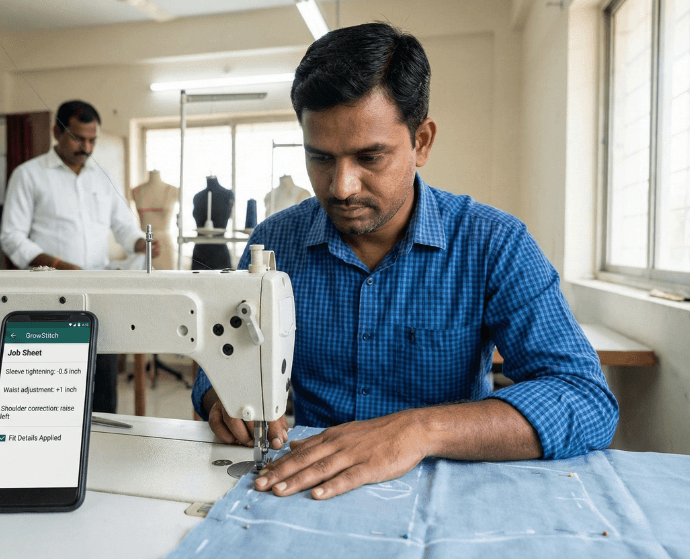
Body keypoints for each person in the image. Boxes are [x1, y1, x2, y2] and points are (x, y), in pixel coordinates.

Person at [192, 23, 618, 500]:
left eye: (369, 158)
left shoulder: (493, 243)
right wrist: (222, 399)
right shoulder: (274, 243)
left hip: (447, 497)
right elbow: (217, 363)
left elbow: (586, 398)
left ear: (422, 142)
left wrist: (419, 431)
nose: (341, 187)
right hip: (309, 493)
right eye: (321, 159)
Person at [0, 100, 160, 413]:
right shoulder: (29, 175)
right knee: (55, 384)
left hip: (99, 292)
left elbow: (125, 228)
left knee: (103, 380)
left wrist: (140, 243)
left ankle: (104, 445)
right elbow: (11, 237)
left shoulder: (102, 177)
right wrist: (58, 265)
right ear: (57, 132)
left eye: (91, 140)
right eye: (78, 138)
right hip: (50, 294)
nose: (86, 147)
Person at [132, 170, 178, 270]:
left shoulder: (173, 190)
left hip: (164, 245)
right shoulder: (136, 191)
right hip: (143, 244)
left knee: (167, 281)